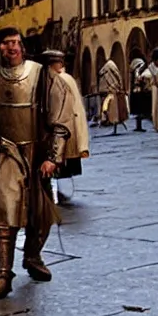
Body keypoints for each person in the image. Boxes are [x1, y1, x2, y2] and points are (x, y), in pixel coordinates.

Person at [0, 28, 70, 299]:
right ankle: (3, 275)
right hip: (6, 152)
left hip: (37, 151)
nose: (12, 47)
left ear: (23, 47)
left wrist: (53, 156)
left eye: (16, 43)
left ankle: (32, 256)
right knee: (3, 212)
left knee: (40, 214)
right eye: (6, 43)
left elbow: (60, 117)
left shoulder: (41, 74)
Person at [41, 50, 90, 202]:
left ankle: (59, 193)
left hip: (62, 128)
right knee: (63, 163)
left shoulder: (58, 80)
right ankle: (61, 192)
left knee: (59, 161)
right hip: (70, 127)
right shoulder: (66, 78)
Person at [98, 58, 129, 135]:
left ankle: (109, 120)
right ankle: (107, 119)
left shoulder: (108, 68)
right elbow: (117, 76)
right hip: (111, 91)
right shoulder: (109, 68)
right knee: (110, 109)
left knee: (112, 109)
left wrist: (119, 86)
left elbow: (116, 75)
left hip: (111, 90)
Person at [129, 56, 151, 133]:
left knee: (139, 111)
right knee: (139, 111)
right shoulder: (137, 71)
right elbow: (137, 80)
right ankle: (138, 126)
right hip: (138, 93)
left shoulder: (137, 71)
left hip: (139, 93)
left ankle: (139, 126)